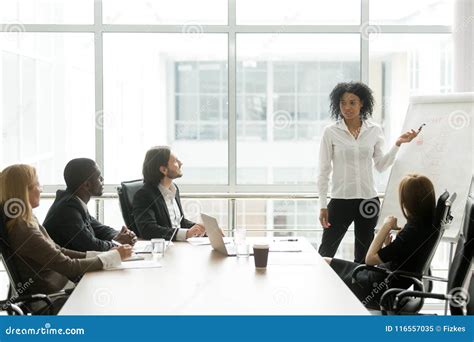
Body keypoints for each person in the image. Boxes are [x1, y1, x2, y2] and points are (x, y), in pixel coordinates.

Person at [0, 164, 132, 314]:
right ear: (24, 190)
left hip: (61, 290)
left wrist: (109, 255)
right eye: (37, 184)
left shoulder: (27, 220)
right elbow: (68, 266)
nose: (41, 189)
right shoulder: (24, 230)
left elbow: (59, 251)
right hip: (51, 300)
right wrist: (113, 256)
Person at [318, 81, 419, 263]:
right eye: (342, 102)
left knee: (364, 258)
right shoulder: (331, 132)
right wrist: (323, 205)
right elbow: (323, 171)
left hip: (368, 201)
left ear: (362, 103)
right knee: (325, 252)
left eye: (352, 102)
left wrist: (397, 144)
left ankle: (358, 291)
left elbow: (381, 165)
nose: (347, 107)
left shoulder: (374, 130)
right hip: (340, 200)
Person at [325, 174, 438, 308]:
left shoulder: (412, 231)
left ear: (407, 202)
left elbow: (369, 259)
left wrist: (386, 226)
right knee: (324, 262)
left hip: (376, 287)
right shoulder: (424, 225)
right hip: (381, 277)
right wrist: (388, 247)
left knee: (323, 265)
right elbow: (405, 256)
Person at [43, 158, 136, 252]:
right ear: (87, 185)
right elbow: (91, 246)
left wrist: (121, 235)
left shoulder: (75, 203)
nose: (103, 179)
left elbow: (100, 229)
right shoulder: (67, 210)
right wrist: (117, 242)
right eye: (99, 177)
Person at [132, 146, 205, 240]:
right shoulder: (144, 195)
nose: (180, 163)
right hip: (162, 249)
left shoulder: (174, 189)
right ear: (164, 170)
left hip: (179, 246)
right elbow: (148, 230)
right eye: (175, 161)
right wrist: (186, 233)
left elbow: (180, 222)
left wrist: (202, 229)